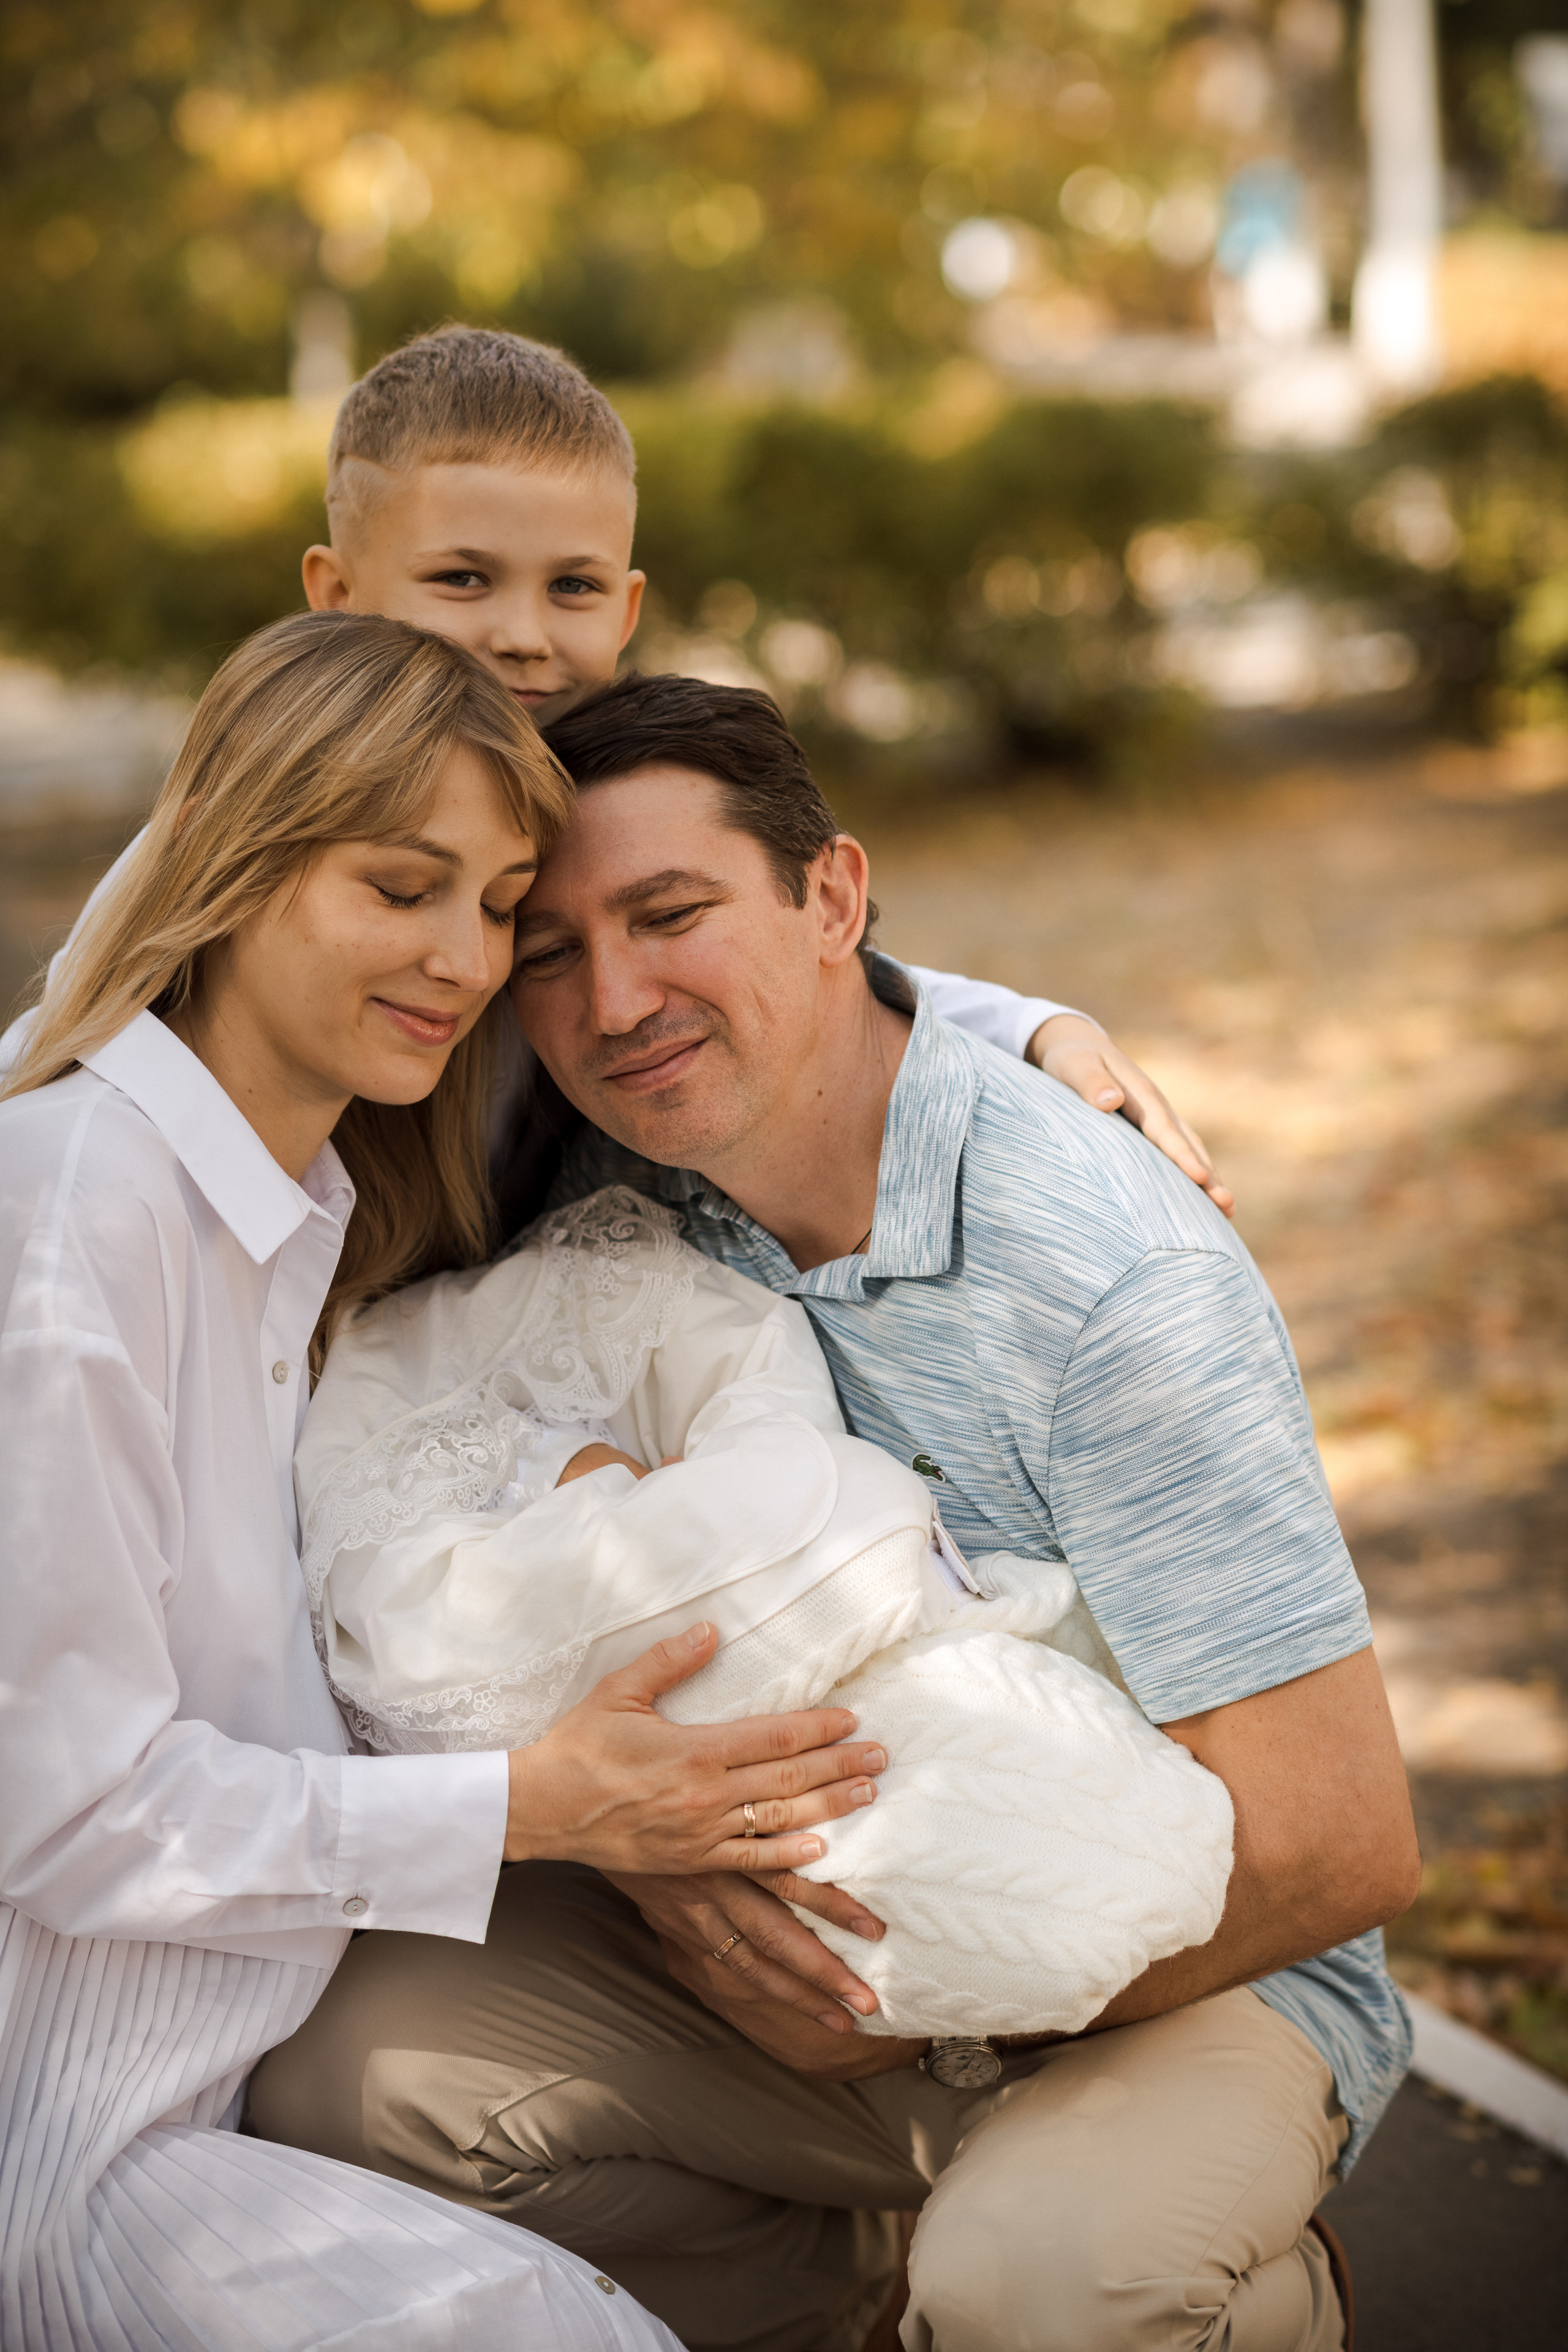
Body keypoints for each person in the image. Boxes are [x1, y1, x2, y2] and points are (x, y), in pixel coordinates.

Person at [254, 671, 1422, 2352]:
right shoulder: (622, 1173)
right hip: (802, 1939)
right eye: (556, 951)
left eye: (672, 915)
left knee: (1047, 2286)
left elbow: (1343, 1843)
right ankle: (843, 2307)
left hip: (1174, 1972)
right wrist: (668, 1872)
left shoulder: (1108, 1278)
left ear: (835, 899)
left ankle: (1244, 2299)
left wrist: (921, 2021)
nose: (617, 1001)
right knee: (343, 2077)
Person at [0, 614, 891, 2352]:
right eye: (403, 887)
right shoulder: (77, 1219)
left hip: (247, 2065)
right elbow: (70, 1810)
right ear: (239, 866)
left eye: (497, 907)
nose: (466, 961)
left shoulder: (305, 1212)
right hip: (84, 2134)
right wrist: (532, 1807)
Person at [0, 327, 1231, 1226]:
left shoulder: (589, 782)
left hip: (506, 1275)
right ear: (334, 594)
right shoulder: (267, 824)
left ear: (628, 606)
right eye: (463, 581)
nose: (523, 633)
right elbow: (74, 1032)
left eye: (572, 588)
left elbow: (778, 953)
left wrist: (1028, 1026)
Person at [293, 1182, 1235, 2041]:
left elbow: (794, 1484)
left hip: (1103, 1935)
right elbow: (812, 1508)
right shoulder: (416, 1518)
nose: (615, 1004)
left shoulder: (1110, 1270)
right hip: (964, 1844)